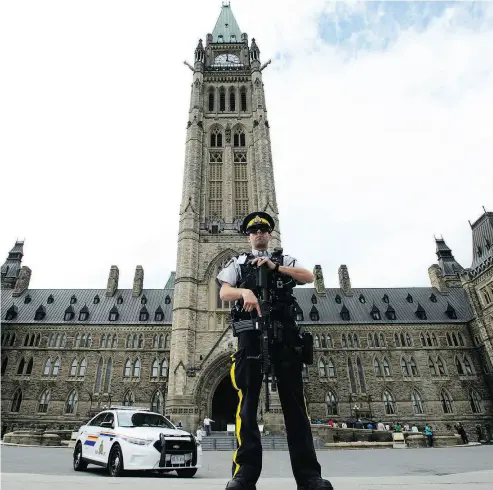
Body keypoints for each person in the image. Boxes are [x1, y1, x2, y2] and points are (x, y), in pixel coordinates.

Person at [217, 212, 333, 490]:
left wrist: (275, 267)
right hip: (251, 338)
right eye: (254, 231)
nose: (259, 234)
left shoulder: (284, 260)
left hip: (284, 337)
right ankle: (244, 474)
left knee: (295, 408)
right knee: (247, 406)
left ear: (270, 235)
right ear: (248, 236)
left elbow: (307, 276)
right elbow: (224, 292)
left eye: (264, 230)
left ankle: (309, 477)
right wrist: (245, 292)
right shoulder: (237, 263)